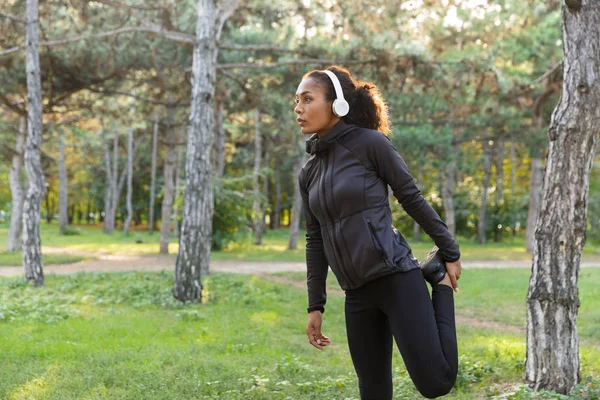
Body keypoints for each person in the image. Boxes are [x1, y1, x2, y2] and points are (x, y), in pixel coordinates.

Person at [294, 66, 462, 399]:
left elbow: (410, 197)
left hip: (396, 277)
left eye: (307, 99)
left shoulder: (370, 144)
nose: (298, 109)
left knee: (436, 383)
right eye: (296, 101)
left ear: (336, 104)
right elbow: (315, 239)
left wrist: (450, 251)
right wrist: (316, 306)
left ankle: (438, 282)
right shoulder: (308, 171)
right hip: (356, 293)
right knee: (373, 393)